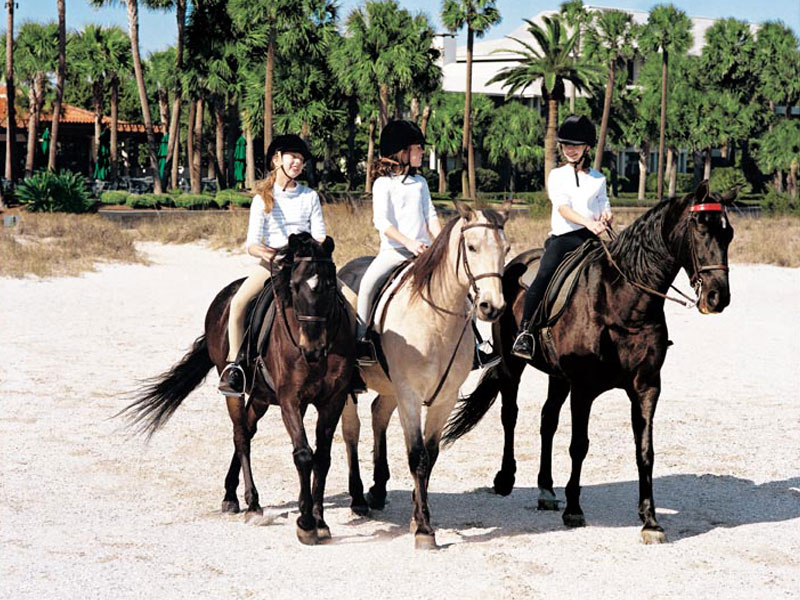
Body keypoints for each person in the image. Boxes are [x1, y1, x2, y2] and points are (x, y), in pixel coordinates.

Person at [218, 134, 326, 396]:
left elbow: (320, 234)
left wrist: (312, 251)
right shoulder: (262, 199)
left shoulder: (309, 196)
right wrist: (268, 255)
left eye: (301, 159)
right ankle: (235, 366)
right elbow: (252, 244)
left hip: (306, 264)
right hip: (273, 264)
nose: (297, 163)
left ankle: (352, 361)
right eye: (292, 157)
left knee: (346, 299)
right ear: (276, 159)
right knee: (239, 303)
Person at [511, 115, 613, 360]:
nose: (570, 150)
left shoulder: (599, 178)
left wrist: (607, 216)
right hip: (564, 239)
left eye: (575, 146)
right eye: (566, 145)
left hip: (593, 238)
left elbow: (604, 204)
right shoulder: (557, 175)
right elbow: (563, 209)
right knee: (543, 276)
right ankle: (525, 332)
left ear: (587, 148)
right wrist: (589, 222)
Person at [355, 120, 441, 364]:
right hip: (394, 253)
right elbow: (382, 222)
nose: (422, 152)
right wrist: (409, 243)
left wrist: (439, 242)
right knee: (367, 287)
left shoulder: (421, 183)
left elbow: (431, 215)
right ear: (402, 152)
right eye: (418, 148)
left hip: (424, 252)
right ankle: (361, 343)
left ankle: (475, 344)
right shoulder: (383, 184)